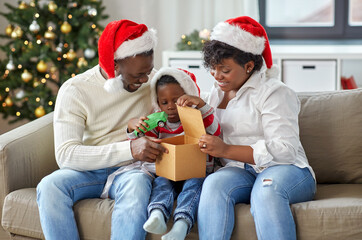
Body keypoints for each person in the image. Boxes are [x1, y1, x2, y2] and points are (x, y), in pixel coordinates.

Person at [36, 19, 167, 240]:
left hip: (130, 170)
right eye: (138, 76)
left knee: (137, 185)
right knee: (50, 186)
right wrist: (129, 149)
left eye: (149, 70)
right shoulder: (76, 90)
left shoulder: (153, 81)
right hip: (88, 170)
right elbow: (66, 155)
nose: (146, 80)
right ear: (114, 65)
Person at [196, 16, 316, 240]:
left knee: (267, 191)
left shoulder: (274, 92)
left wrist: (225, 150)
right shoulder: (215, 93)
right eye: (213, 68)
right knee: (213, 185)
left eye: (224, 69)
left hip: (286, 169)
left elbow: (285, 150)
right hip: (240, 171)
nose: (216, 76)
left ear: (249, 66)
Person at [126, 67, 220, 240]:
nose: (170, 107)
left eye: (176, 101)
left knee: (194, 188)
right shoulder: (158, 119)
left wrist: (201, 104)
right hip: (166, 172)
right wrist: (133, 128)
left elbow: (215, 131)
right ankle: (157, 214)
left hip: (194, 171)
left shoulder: (195, 116)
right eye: (164, 102)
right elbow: (141, 139)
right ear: (158, 103)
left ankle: (181, 225)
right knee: (161, 184)